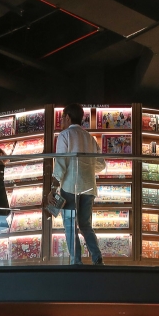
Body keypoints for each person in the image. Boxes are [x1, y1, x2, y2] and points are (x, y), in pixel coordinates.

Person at [52, 103, 106, 265]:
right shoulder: (90, 138)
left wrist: (54, 186)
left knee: (70, 225)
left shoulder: (65, 135)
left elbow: (61, 162)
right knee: (85, 225)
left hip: (69, 187)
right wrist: (87, 167)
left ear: (68, 117)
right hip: (89, 188)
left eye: (62, 118)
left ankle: (76, 261)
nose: (61, 121)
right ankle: (97, 257)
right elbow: (101, 165)